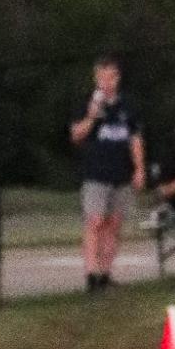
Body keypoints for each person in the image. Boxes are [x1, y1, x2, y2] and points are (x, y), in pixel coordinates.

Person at [69, 57, 145, 292]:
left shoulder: (127, 106)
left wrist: (139, 168)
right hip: (96, 174)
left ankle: (105, 273)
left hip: (121, 173)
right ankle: (91, 274)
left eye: (110, 77)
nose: (106, 82)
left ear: (117, 78)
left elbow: (135, 139)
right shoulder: (86, 104)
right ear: (96, 79)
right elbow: (76, 136)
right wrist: (92, 116)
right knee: (95, 221)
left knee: (113, 224)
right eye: (101, 78)